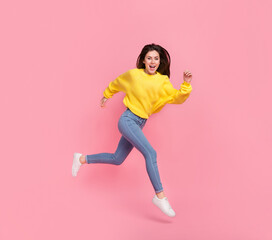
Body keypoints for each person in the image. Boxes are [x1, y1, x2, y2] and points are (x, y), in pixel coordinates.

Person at [72, 43, 193, 217]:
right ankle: (160, 196)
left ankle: (82, 159)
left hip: (140, 122)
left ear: (160, 62)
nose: (153, 62)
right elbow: (117, 83)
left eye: (156, 59)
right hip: (128, 119)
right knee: (151, 154)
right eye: (149, 58)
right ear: (143, 60)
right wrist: (106, 95)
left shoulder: (162, 81)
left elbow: (176, 97)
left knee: (117, 158)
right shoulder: (134, 75)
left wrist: (186, 85)